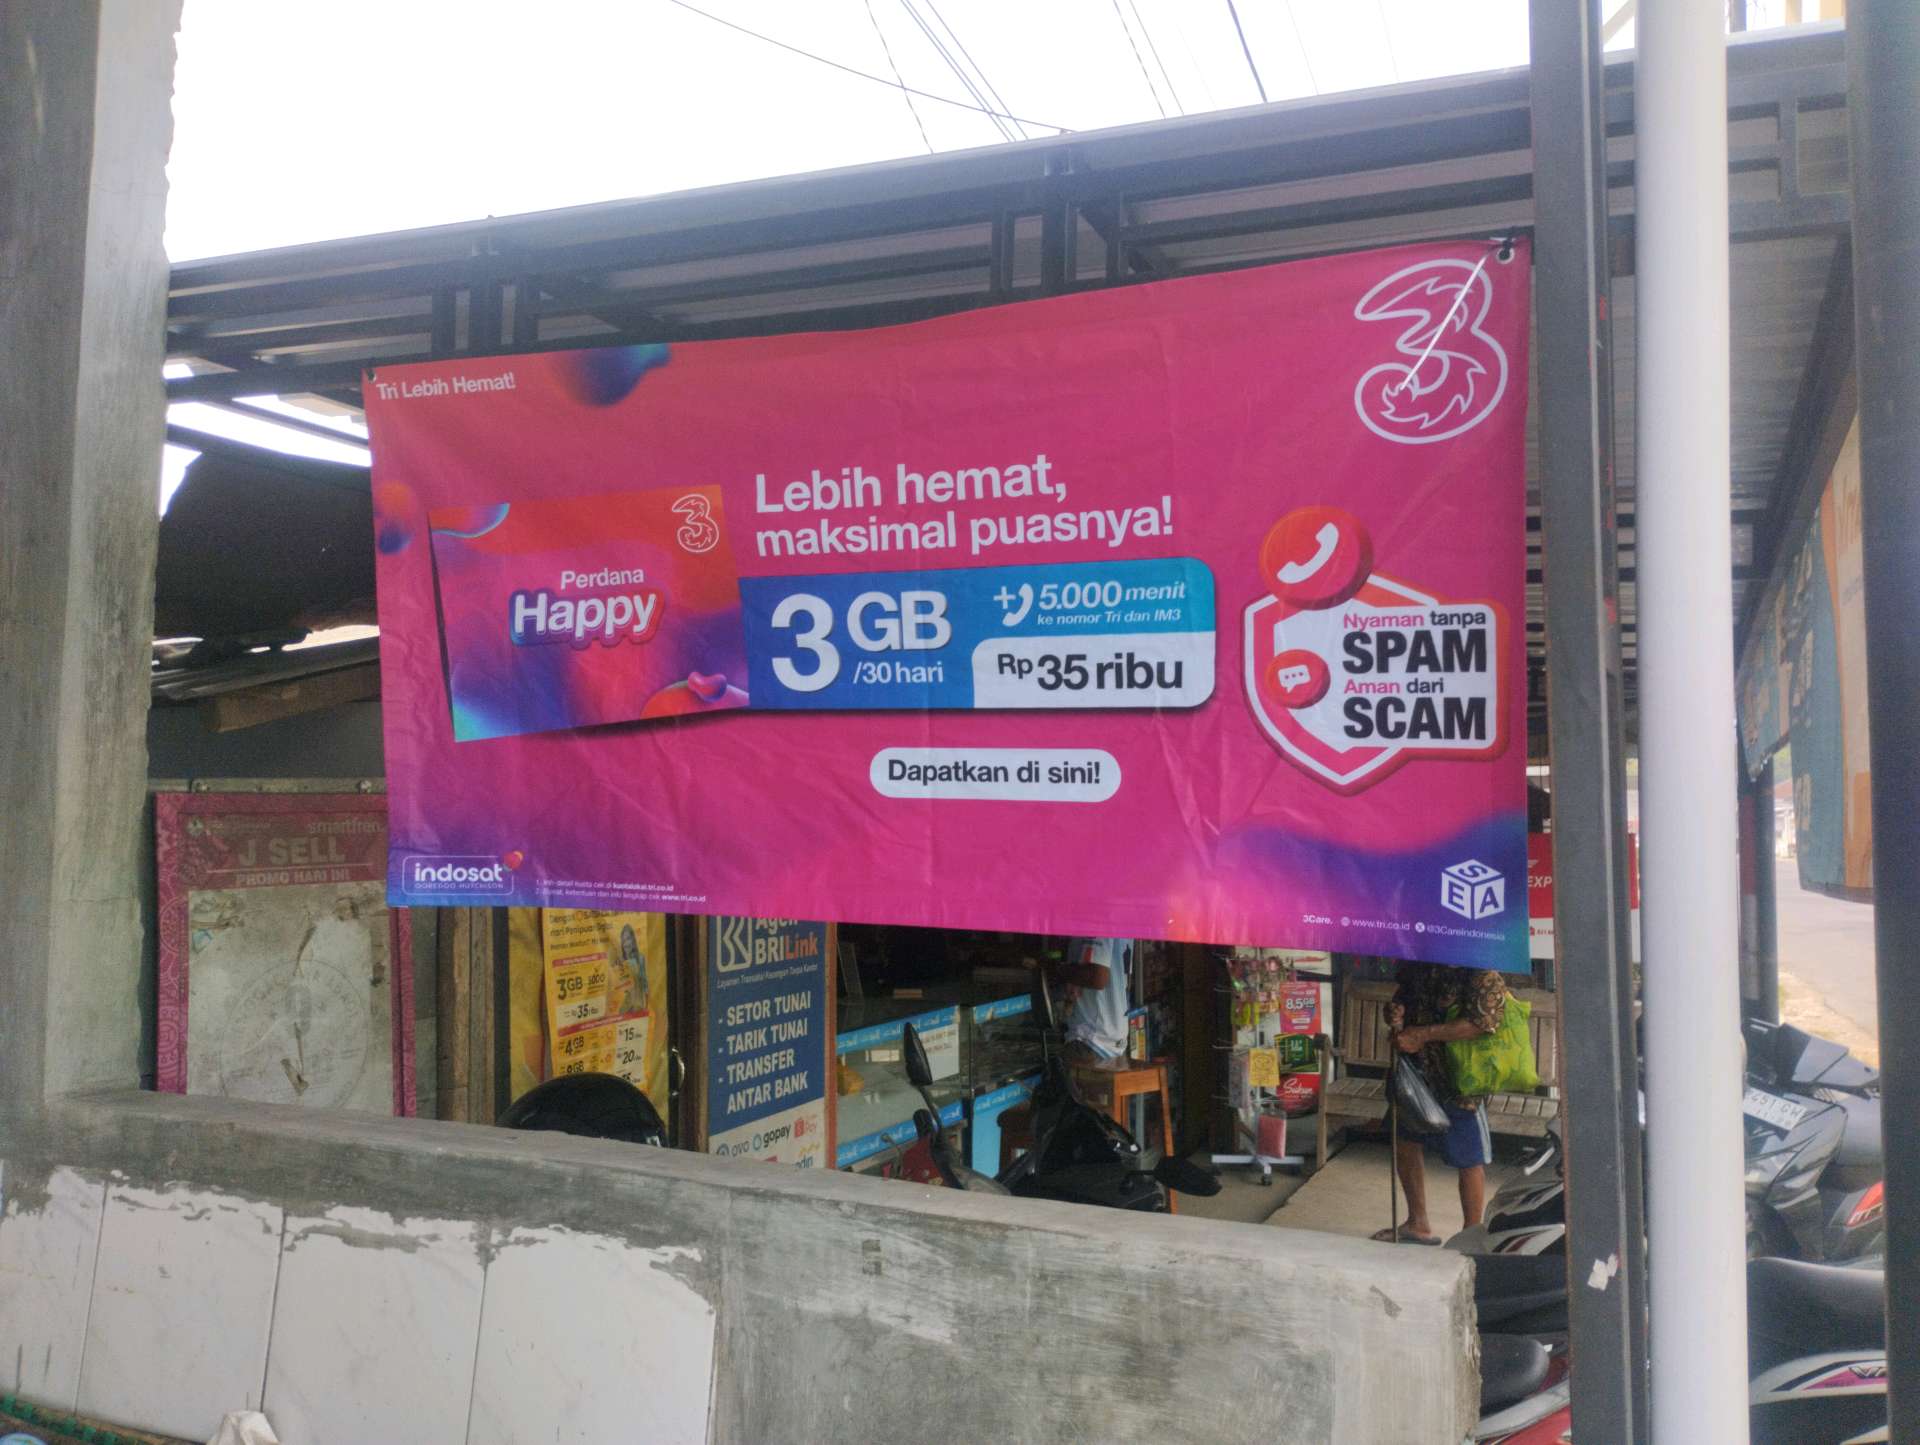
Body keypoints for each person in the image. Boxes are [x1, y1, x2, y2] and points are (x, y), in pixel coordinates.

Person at [1371, 960, 1508, 1245]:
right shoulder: (1419, 966)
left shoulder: (1482, 973)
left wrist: (1423, 1034)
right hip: (1415, 1075)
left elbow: (1483, 1023)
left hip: (1459, 1081)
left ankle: (1471, 1236)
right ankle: (1417, 1223)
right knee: (1405, 1143)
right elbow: (1403, 1001)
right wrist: (1396, 1015)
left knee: (1468, 1159)